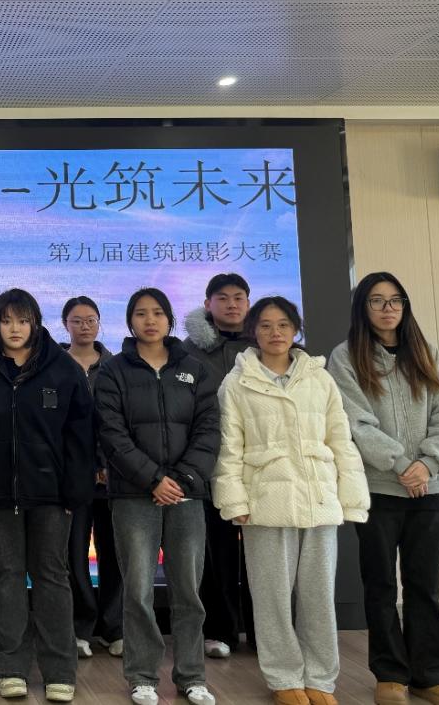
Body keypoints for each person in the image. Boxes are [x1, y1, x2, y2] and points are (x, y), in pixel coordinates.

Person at [214, 297, 370, 705]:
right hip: (266, 500)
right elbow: (229, 448)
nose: (275, 332)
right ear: (253, 331)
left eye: (283, 324)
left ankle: (320, 678)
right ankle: (284, 676)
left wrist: (351, 496)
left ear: (296, 329)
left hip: (318, 498)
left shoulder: (320, 378)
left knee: (319, 597)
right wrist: (234, 500)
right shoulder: (238, 382)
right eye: (265, 325)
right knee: (272, 598)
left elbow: (341, 440)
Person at [328, 272, 439, 705]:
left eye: (395, 300)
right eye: (377, 300)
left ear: (404, 306)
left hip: (430, 487)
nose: (387, 308)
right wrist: (402, 464)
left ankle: (430, 676)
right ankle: (389, 674)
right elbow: (354, 421)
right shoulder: (345, 357)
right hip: (379, 489)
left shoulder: (425, 352)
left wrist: (428, 463)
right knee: (381, 585)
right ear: (362, 308)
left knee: (425, 586)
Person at [0, 289, 94, 703]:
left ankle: (59, 670)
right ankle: (10, 667)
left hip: (52, 495)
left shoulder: (62, 368)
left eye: (22, 320)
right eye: (6, 321)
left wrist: (75, 490)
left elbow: (81, 434)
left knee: (52, 576)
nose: (14, 329)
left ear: (35, 323)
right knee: (5, 576)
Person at [95, 287, 220, 705]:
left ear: (169, 319)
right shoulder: (113, 371)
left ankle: (192, 675)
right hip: (134, 495)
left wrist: (181, 479)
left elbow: (209, 430)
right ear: (130, 321)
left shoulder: (195, 369)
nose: (150, 320)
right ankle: (142, 675)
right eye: (141, 313)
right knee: (138, 591)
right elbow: (111, 433)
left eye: (157, 313)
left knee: (188, 591)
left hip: (186, 495)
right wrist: (152, 479)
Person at [182, 273, 253, 659]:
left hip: (259, 465)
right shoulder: (189, 351)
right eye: (222, 298)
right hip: (210, 462)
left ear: (248, 302)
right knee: (216, 553)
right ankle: (220, 631)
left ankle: (264, 633)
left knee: (263, 555)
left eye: (238, 297)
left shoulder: (266, 343)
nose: (231, 304)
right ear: (208, 304)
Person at [61, 296, 122, 658]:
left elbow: (119, 422)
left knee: (115, 553)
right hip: (72, 477)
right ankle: (80, 627)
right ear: (65, 325)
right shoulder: (55, 366)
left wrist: (107, 462)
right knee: (73, 554)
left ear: (99, 324)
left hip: (114, 476)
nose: (84, 326)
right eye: (77, 320)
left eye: (90, 320)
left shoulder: (116, 367)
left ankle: (114, 628)